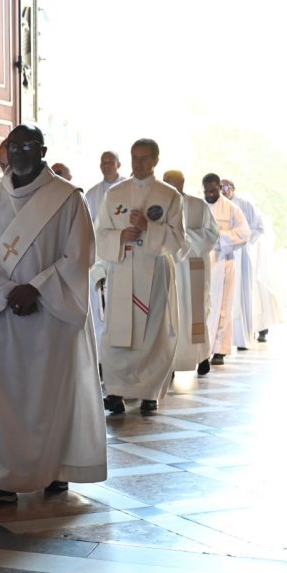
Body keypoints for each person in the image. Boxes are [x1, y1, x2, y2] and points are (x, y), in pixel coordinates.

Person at [0, 124, 106, 505]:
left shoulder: (66, 198)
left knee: (50, 394)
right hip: (4, 311)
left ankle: (55, 467)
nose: (20, 152)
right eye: (14, 145)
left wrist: (37, 289)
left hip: (51, 314)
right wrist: (8, 293)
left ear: (42, 151)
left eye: (29, 145)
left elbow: (80, 255)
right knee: (4, 396)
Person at [95, 139, 185, 416]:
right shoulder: (115, 193)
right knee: (117, 332)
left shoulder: (169, 195)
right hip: (122, 266)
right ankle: (115, 392)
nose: (138, 164)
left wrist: (149, 228)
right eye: (134, 158)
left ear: (156, 160)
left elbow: (179, 240)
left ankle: (149, 393)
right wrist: (121, 236)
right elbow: (100, 233)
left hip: (155, 269)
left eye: (144, 158)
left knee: (153, 333)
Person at [162, 171, 219, 375]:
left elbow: (212, 233)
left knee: (197, 310)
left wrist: (183, 240)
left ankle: (201, 356)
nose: (169, 185)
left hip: (193, 266)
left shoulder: (198, 205)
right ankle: (171, 362)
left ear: (183, 183)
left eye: (173, 182)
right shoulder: (160, 206)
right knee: (170, 313)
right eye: (166, 181)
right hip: (170, 265)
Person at [202, 173, 251, 368]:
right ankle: (202, 348)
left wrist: (219, 238)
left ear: (219, 188)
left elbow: (244, 233)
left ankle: (220, 349)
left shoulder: (232, 209)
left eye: (213, 190)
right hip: (203, 263)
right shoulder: (199, 206)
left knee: (222, 306)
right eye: (206, 191)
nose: (209, 194)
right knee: (204, 307)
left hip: (223, 262)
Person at [84, 151, 124, 359]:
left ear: (119, 164)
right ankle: (100, 358)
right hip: (99, 257)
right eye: (103, 162)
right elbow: (87, 225)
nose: (106, 165)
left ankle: (119, 356)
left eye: (111, 162)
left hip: (123, 257)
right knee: (99, 308)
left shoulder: (128, 190)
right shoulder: (92, 194)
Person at [220, 179, 262, 350]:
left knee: (241, 294)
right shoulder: (217, 205)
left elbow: (258, 228)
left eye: (226, 187)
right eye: (220, 187)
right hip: (223, 253)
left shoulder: (244, 204)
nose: (223, 191)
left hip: (242, 254)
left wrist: (242, 241)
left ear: (233, 188)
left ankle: (243, 338)